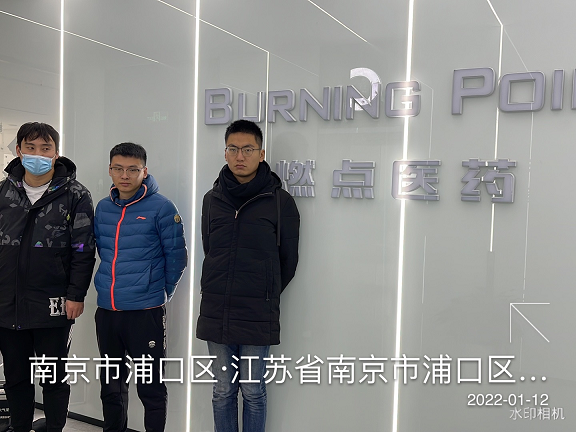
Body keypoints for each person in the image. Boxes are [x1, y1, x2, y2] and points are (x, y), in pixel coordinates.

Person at [197, 120, 300, 432]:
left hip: (257, 310)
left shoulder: (280, 202)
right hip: (217, 308)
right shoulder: (212, 199)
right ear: (225, 152)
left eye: (247, 149)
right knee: (222, 390)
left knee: (253, 391)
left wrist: (264, 291)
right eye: (233, 149)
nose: (239, 156)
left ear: (261, 153)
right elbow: (210, 248)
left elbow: (288, 261)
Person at [0, 122, 96, 432]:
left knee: (53, 377)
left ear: (56, 153)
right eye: (31, 148)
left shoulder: (75, 194)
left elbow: (84, 249)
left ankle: (54, 427)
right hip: (8, 302)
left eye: (45, 148)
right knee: (15, 376)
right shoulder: (3, 191)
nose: (38, 154)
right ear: (19, 151)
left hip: (53, 303)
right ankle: (19, 426)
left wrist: (76, 295)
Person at [93, 142, 187, 432]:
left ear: (144, 171)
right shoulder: (103, 208)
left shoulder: (162, 207)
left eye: (132, 169)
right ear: (110, 170)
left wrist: (160, 292)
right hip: (107, 311)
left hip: (145, 313)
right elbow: (101, 251)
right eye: (119, 168)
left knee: (151, 387)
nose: (125, 175)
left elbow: (177, 258)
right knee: (111, 386)